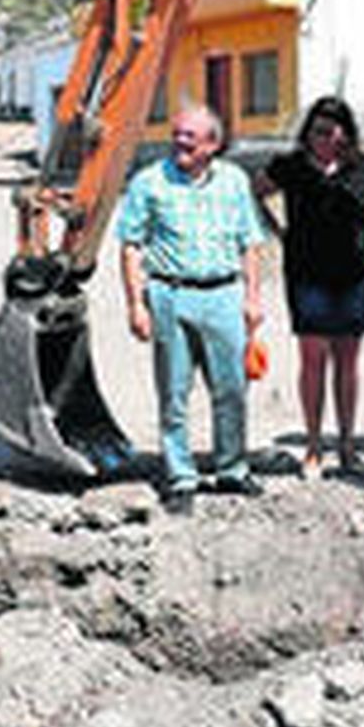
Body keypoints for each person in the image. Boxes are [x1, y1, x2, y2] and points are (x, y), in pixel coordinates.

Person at [117, 104, 268, 516]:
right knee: (173, 392)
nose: (180, 141)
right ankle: (181, 475)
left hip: (223, 296)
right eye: (177, 133)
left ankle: (232, 469)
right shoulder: (148, 182)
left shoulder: (235, 182)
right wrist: (136, 305)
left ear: (213, 144)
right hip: (170, 296)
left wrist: (252, 299)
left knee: (232, 389)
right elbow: (130, 245)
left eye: (191, 136)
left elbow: (250, 243)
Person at [254, 96, 364, 477]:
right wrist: (277, 231)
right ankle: (312, 448)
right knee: (312, 360)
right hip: (307, 275)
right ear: (308, 132)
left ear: (346, 134)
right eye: (318, 130)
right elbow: (252, 194)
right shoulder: (289, 167)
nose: (325, 138)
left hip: (354, 276)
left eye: (334, 131)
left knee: (347, 363)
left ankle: (348, 446)